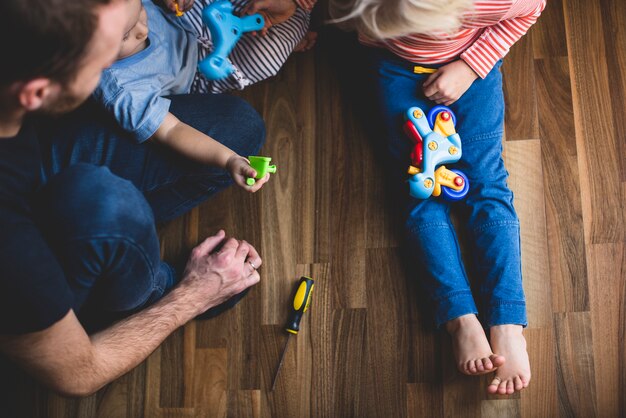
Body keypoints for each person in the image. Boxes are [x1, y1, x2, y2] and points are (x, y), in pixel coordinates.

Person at [0, 0, 265, 397]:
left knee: (237, 129)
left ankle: (120, 239)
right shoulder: (12, 256)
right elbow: (79, 374)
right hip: (34, 258)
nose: (144, 37)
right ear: (37, 92)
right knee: (103, 204)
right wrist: (194, 294)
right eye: (107, 55)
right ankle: (147, 285)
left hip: (36, 151)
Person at [330, 0, 546, 395]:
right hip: (393, 68)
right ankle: (459, 316)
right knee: (419, 189)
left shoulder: (498, 2)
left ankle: (507, 322)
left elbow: (531, 11)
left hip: (470, 66)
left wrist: (470, 66)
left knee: (488, 186)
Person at [91, 0, 307, 177]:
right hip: (198, 75)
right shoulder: (124, 92)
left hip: (186, 19)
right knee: (266, 59)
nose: (143, 30)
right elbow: (171, 131)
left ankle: (293, 24)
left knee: (264, 9)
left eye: (140, 11)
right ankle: (293, 33)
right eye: (126, 36)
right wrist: (229, 159)